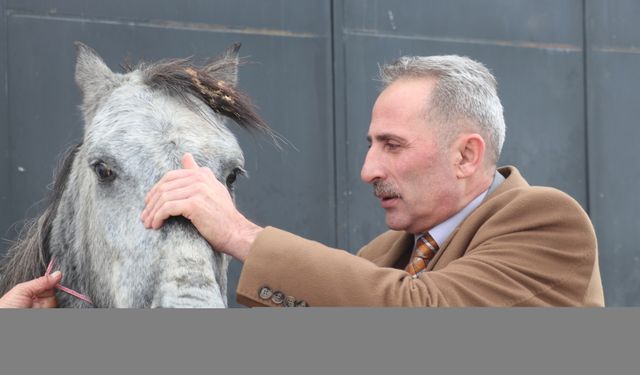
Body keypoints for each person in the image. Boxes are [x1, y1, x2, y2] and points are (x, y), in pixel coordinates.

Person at [140, 55, 605, 307]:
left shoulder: (548, 222)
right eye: (370, 144)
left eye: (393, 145)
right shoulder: (382, 256)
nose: (368, 170)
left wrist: (241, 235)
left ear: (466, 155)